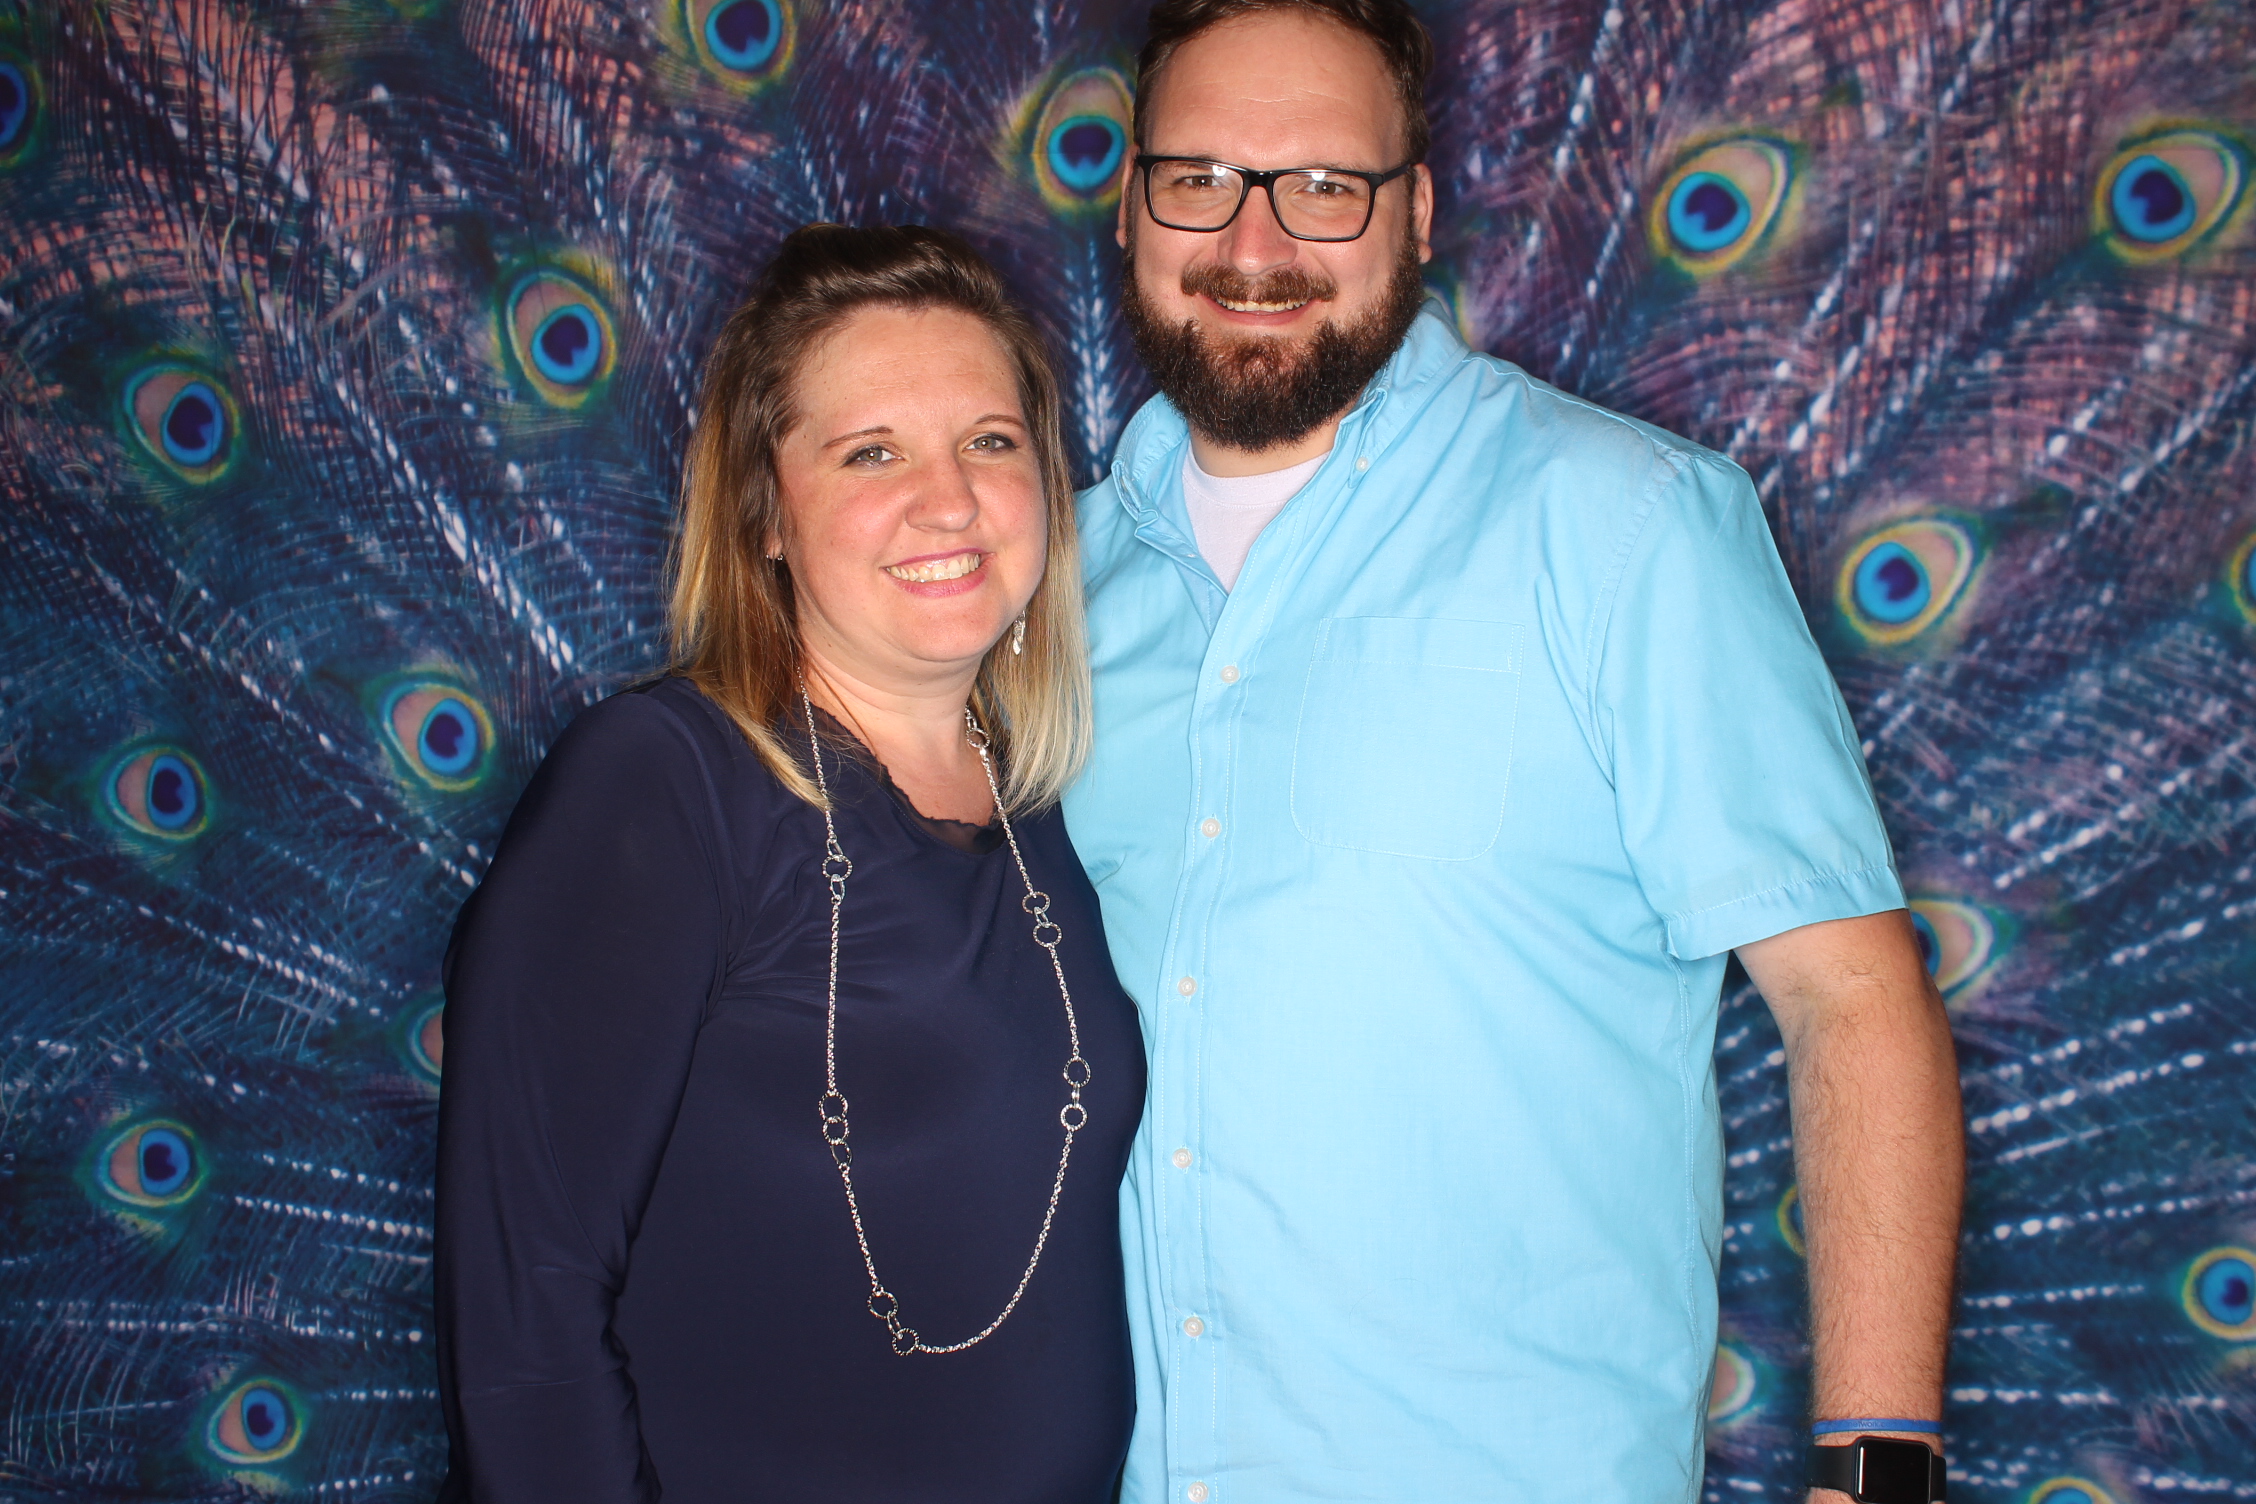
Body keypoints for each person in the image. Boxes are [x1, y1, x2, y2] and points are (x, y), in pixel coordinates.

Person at [1064, 3, 1967, 1501]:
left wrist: (1881, 1472)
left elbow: (1852, 1000)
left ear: (1414, 212)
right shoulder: (1064, 587)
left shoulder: (1624, 530)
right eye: (1202, 177)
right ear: (1133, 202)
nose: (1257, 237)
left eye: (1324, 185)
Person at [433, 225, 1143, 1503]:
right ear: (766, 511)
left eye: (991, 440)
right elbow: (525, 1307)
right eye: (873, 452)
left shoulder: (1051, 802)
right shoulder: (660, 788)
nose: (950, 499)